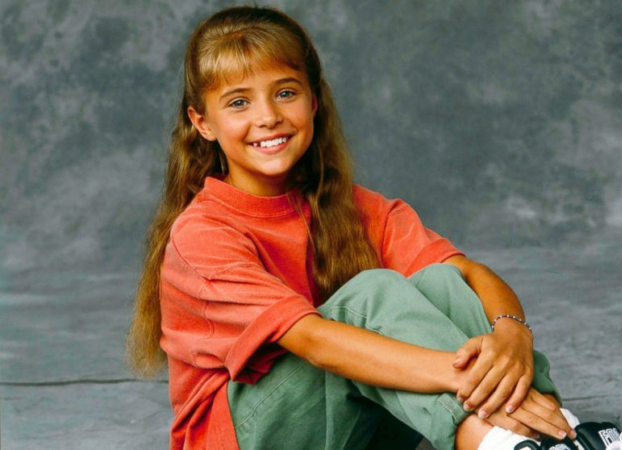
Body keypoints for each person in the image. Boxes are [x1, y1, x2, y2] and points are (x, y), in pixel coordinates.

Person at [126, 5, 577, 450]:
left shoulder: (354, 206)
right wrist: (473, 378)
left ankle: (558, 436)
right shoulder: (201, 235)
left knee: (442, 282)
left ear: (313, 101)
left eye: (285, 93)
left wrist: (512, 335)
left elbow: (470, 274)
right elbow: (315, 341)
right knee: (369, 295)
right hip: (246, 435)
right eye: (239, 102)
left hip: (349, 427)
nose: (267, 116)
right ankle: (510, 438)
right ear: (202, 123)